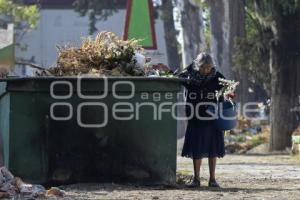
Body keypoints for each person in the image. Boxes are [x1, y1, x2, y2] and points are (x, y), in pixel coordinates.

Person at [177, 52, 226, 188]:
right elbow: (178, 77)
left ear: (212, 66)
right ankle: (196, 179)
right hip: (195, 115)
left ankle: (212, 179)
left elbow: (226, 89)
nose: (205, 70)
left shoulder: (217, 77)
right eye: (203, 67)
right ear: (197, 66)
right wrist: (189, 70)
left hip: (212, 116)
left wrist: (226, 96)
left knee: (213, 148)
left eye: (208, 67)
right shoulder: (189, 75)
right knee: (196, 148)